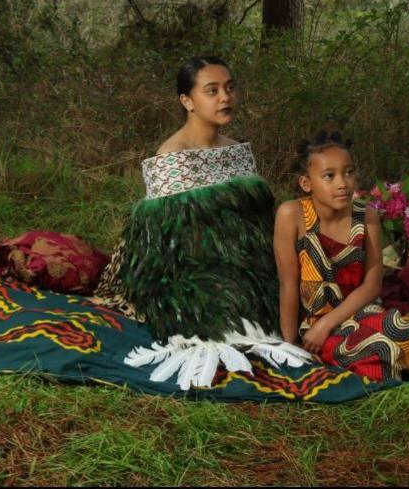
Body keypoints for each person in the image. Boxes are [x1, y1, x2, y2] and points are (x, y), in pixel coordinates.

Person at [118, 56, 311, 389]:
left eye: (229, 88)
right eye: (212, 91)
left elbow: (257, 224)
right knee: (238, 313)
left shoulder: (236, 150)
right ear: (187, 101)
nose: (225, 97)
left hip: (250, 258)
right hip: (196, 268)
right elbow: (169, 245)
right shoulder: (171, 157)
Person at [273, 130, 409, 382]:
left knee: (400, 325)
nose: (343, 183)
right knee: (374, 347)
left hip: (357, 314)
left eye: (348, 172)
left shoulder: (367, 217)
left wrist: (326, 324)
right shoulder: (292, 215)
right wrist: (291, 345)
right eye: (329, 176)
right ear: (306, 183)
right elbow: (288, 285)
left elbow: (372, 285)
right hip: (313, 323)